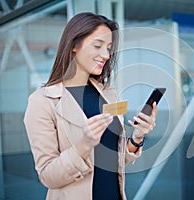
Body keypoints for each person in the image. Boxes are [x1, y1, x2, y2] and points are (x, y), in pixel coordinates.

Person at [23, 12, 157, 200]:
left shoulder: (107, 92)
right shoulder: (42, 102)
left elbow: (112, 161)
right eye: (98, 46)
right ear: (74, 45)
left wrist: (137, 138)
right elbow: (48, 176)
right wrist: (84, 144)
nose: (106, 55)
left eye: (109, 48)